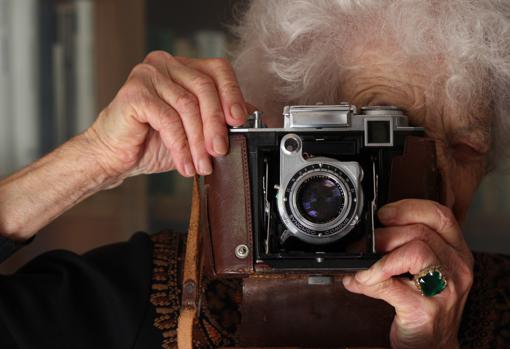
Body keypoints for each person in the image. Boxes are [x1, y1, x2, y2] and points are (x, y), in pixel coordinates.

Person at [0, 1, 509, 348]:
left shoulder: (498, 298)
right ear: (302, 124)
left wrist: (435, 338)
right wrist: (93, 159)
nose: (434, 169)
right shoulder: (154, 287)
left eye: (466, 147)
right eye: (388, 128)